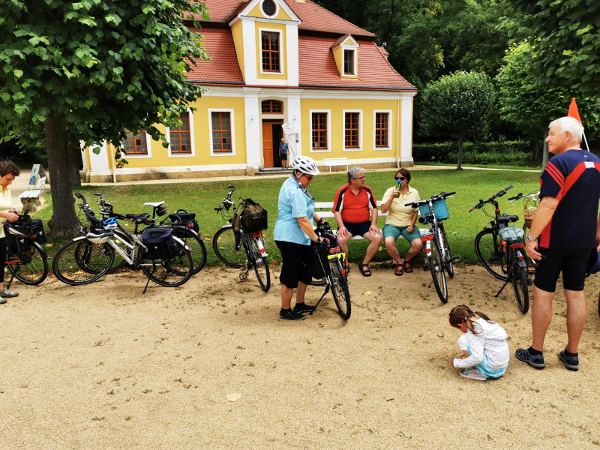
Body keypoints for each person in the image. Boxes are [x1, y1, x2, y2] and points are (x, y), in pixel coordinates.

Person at [516, 116, 600, 372]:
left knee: (544, 292)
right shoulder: (597, 163)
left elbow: (549, 204)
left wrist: (531, 239)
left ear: (567, 135)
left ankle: (536, 352)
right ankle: (571, 355)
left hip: (553, 242)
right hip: (584, 242)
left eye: (551, 134)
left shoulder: (558, 163)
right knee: (576, 294)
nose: (547, 138)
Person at [274, 155, 327, 321]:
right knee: (290, 274)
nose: (310, 181)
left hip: (300, 237)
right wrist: (317, 239)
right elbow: (302, 220)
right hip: (290, 238)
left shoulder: (296, 184)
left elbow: (307, 208)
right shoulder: (294, 190)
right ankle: (285, 310)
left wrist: (320, 220)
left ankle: (300, 304)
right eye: (309, 177)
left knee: (304, 272)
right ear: (298, 173)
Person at [333, 167, 382, 277]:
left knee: (377, 237)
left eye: (364, 177)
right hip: (347, 224)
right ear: (353, 180)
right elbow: (336, 211)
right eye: (361, 178)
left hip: (364, 224)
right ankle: (345, 263)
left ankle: (364, 264)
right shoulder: (342, 191)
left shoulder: (367, 190)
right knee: (340, 239)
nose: (364, 179)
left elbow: (374, 208)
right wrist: (341, 226)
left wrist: (373, 224)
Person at [449, 305, 509, 381]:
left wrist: (457, 363)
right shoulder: (488, 322)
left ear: (460, 325)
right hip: (501, 367)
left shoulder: (474, 332)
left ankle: (478, 370)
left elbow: (477, 358)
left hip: (490, 369)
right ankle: (480, 367)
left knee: (463, 339)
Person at [380, 169, 423, 276]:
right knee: (389, 242)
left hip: (407, 224)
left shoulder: (414, 192)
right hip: (392, 224)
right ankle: (399, 263)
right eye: (397, 178)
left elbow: (415, 212)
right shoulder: (390, 191)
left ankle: (407, 260)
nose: (399, 180)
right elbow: (383, 210)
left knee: (418, 245)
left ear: (407, 180)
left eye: (402, 178)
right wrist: (391, 198)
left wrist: (412, 225)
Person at [0, 161, 21, 305]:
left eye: (12, 180)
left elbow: (4, 207)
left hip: (0, 230)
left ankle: (1, 289)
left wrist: (12, 211)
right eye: (8, 179)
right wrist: (6, 215)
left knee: (0, 260)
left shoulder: (5, 189)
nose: (10, 182)